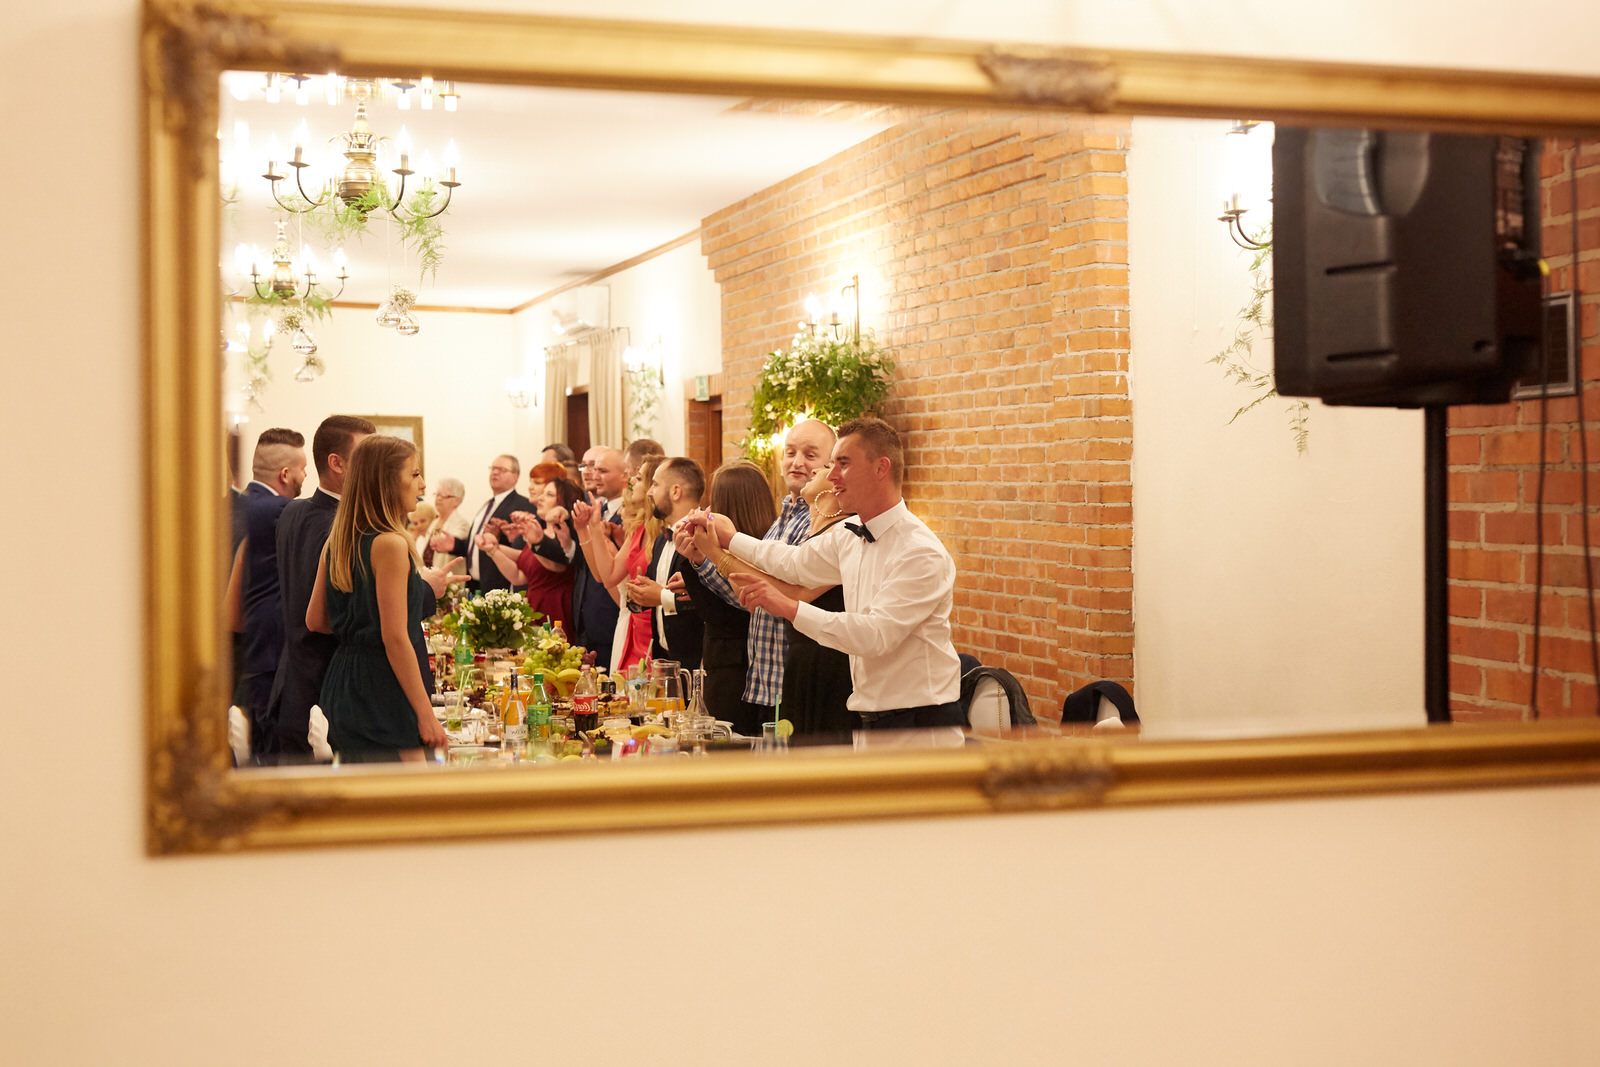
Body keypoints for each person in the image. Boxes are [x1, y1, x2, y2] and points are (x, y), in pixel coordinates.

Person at [684, 417, 961, 729]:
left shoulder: (920, 550)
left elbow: (875, 635)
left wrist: (788, 608)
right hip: (869, 716)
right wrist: (730, 538)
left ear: (880, 468)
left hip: (921, 719)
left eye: (843, 464)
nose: (832, 475)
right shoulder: (849, 533)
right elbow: (794, 563)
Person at [684, 418, 835, 726]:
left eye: (810, 455)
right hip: (763, 680)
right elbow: (749, 595)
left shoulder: (823, 524)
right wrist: (703, 558)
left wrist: (718, 550)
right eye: (790, 452)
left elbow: (789, 593)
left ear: (831, 466)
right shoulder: (782, 519)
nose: (797, 462)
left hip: (793, 678)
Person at [307, 435, 449, 762]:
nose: (423, 484)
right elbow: (395, 638)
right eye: (414, 474)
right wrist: (426, 714)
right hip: (383, 685)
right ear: (387, 482)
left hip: (343, 679)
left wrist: (359, 627)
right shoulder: (390, 544)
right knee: (409, 790)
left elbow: (316, 620)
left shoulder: (338, 540)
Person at [262, 415, 374, 760]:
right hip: (327, 692)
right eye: (366, 457)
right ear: (337, 463)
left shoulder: (293, 511)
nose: (374, 467)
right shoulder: (345, 526)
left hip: (291, 681)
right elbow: (345, 615)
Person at [674, 460, 776, 735]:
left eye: (714, 500)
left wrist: (701, 563)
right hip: (725, 663)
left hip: (737, 668)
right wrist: (695, 572)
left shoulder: (763, 548)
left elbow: (741, 597)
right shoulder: (753, 544)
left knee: (731, 743)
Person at [226, 427, 307, 754]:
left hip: (235, 656)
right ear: (285, 474)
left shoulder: (233, 509)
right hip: (268, 661)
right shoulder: (282, 512)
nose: (305, 476)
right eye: (303, 469)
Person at [574, 452, 665, 672]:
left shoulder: (662, 531)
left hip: (653, 628)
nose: (632, 481)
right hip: (632, 625)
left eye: (639, 478)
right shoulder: (639, 529)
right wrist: (593, 528)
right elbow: (609, 576)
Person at [624, 457, 705, 669]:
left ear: (676, 491)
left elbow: (707, 600)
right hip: (664, 658)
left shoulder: (703, 535)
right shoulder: (662, 538)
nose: (650, 492)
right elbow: (653, 592)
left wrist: (660, 596)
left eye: (655, 485)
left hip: (697, 661)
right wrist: (638, 594)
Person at [482, 475, 583, 634]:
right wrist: (493, 549)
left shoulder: (564, 534)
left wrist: (532, 541)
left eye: (549, 495)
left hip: (555, 608)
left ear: (562, 504)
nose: (540, 498)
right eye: (543, 493)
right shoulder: (540, 532)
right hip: (535, 604)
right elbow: (519, 575)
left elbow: (556, 566)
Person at [431, 454, 529, 593]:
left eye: (501, 469)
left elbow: (525, 551)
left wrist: (500, 538)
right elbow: (476, 546)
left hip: (501, 586)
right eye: (493, 468)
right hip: (476, 584)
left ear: (515, 476)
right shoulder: (488, 505)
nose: (495, 472)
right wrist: (455, 545)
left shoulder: (522, 506)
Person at [570, 447, 626, 666]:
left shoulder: (630, 516)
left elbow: (612, 574)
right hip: (589, 618)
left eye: (601, 470)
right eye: (590, 468)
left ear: (625, 475)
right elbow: (593, 571)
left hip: (615, 616)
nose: (593, 474)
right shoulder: (597, 511)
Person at [422, 477, 470, 571]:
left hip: (450, 577)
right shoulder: (434, 522)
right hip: (430, 575)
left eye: (444, 495)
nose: (438, 498)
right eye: (437, 494)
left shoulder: (461, 524)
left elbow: (456, 544)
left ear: (457, 500)